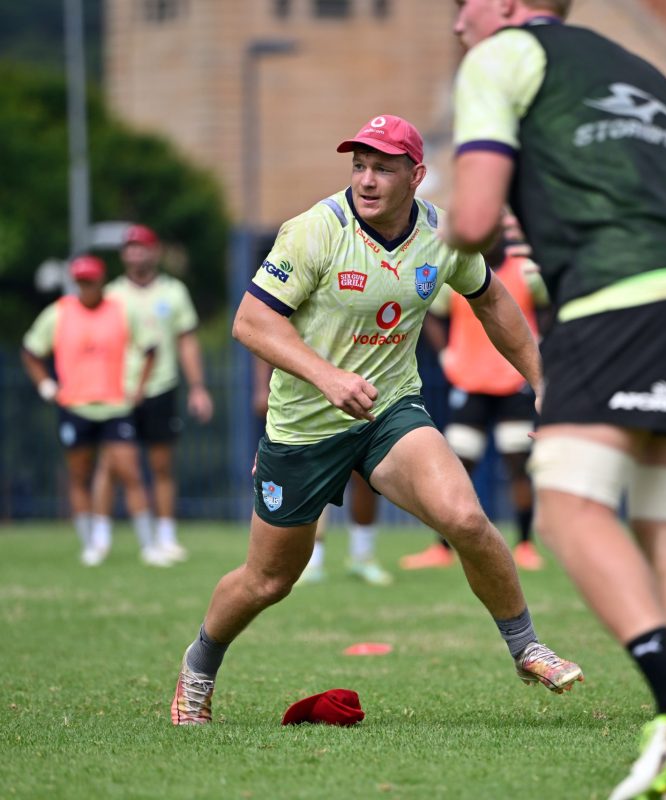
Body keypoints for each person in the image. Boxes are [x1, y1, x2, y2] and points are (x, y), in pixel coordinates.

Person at [171, 113, 584, 726]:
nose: (366, 180)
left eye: (383, 169)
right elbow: (251, 323)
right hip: (305, 427)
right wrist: (328, 378)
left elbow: (492, 299)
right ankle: (198, 667)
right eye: (359, 166)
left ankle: (526, 647)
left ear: (415, 176)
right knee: (268, 580)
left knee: (466, 518)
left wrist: (542, 380)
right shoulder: (314, 231)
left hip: (390, 409)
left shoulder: (442, 235)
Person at [445, 3, 666, 798]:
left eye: (463, 5)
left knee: (569, 509)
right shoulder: (643, 71)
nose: (457, 23)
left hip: (620, 292)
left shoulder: (501, 57)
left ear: (507, 5)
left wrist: (452, 233)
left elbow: (472, 220)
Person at [401, 212, 546, 572]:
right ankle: (441, 547)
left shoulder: (526, 271)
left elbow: (548, 309)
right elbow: (432, 313)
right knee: (457, 463)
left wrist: (539, 349)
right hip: (469, 379)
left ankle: (525, 545)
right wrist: (446, 354)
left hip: (514, 381)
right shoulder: (459, 268)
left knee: (519, 464)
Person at [20, 255, 165, 566]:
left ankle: (149, 544)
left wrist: (139, 387)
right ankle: (90, 544)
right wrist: (46, 385)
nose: (86, 287)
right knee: (79, 475)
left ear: (101, 281)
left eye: (90, 281)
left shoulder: (121, 310)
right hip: (75, 405)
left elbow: (151, 348)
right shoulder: (59, 313)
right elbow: (31, 351)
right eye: (81, 282)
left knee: (130, 472)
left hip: (115, 405)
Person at [96, 224, 214, 563]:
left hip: (161, 386)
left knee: (162, 465)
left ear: (154, 251)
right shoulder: (112, 294)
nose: (135, 253)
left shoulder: (173, 292)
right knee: (111, 464)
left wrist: (198, 387)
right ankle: (99, 538)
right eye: (129, 247)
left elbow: (186, 342)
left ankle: (165, 536)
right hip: (120, 391)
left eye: (141, 247)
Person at [252, 358, 393, 586]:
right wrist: (261, 387)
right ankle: (313, 562)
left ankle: (362, 555)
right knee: (315, 475)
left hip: (363, 388)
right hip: (311, 399)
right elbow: (268, 338)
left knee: (366, 475)